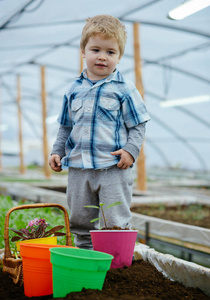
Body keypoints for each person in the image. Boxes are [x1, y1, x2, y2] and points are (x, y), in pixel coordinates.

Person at [49, 15, 150, 249]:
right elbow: (65, 126)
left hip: (112, 168)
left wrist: (130, 151)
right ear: (83, 51)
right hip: (78, 169)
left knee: (113, 220)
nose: (102, 56)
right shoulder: (73, 90)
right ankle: (85, 257)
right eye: (96, 49)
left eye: (110, 52)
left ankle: (115, 267)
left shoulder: (125, 89)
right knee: (80, 218)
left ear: (119, 57)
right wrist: (57, 151)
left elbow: (138, 124)